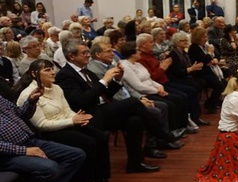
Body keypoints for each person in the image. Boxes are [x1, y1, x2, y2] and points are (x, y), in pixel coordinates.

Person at [56, 40, 180, 173]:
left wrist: (117, 79)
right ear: (71, 56)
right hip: (88, 115)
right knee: (133, 102)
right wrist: (105, 80)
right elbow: (82, 101)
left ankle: (135, 163)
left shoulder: (85, 72)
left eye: (87, 52)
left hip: (101, 109)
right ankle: (163, 135)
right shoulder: (65, 75)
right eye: (84, 53)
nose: (88, 55)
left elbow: (104, 95)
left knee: (134, 120)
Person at [16, 59, 111, 182]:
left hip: (66, 123)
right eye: (47, 70)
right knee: (88, 143)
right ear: (34, 73)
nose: (53, 72)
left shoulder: (57, 88)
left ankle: (101, 178)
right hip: (48, 132)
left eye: (52, 69)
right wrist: (72, 121)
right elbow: (42, 125)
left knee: (101, 136)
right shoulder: (28, 94)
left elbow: (67, 110)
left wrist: (78, 119)